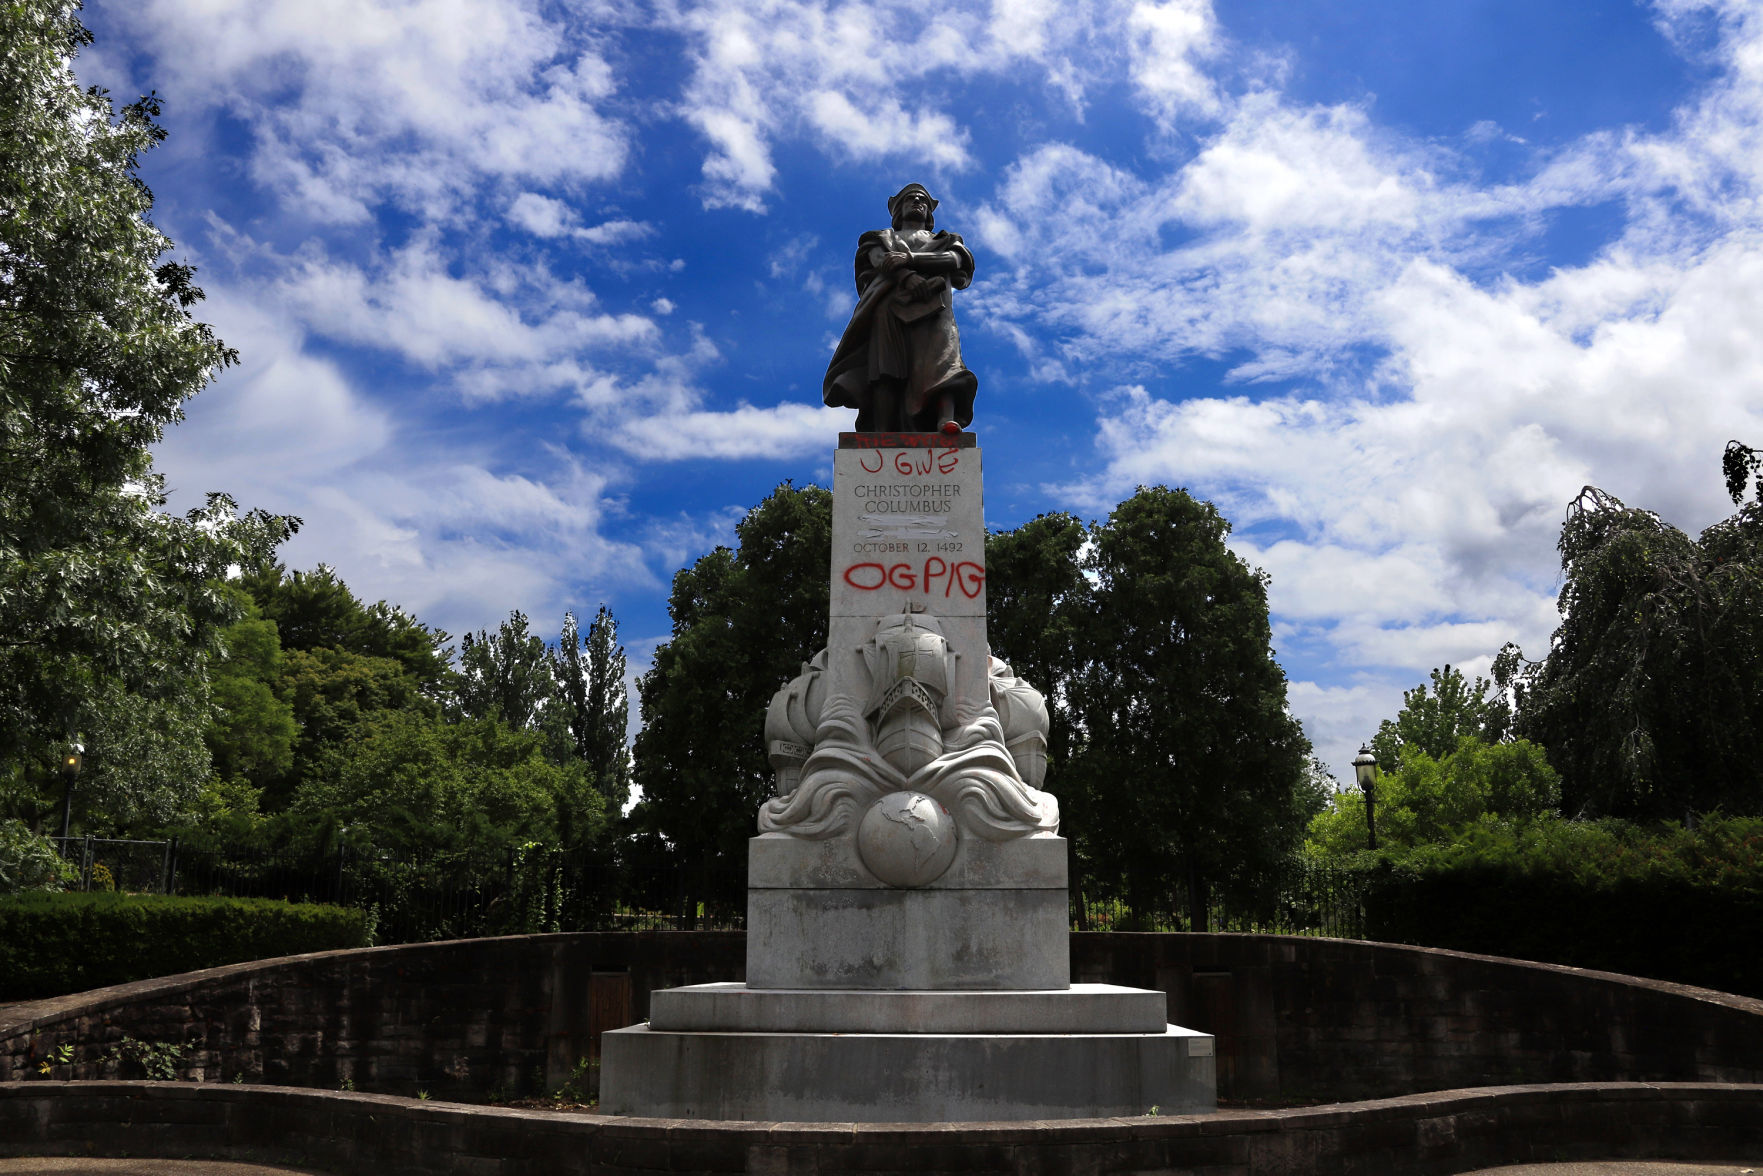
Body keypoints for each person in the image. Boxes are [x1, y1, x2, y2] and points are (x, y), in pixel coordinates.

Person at [823, 183, 977, 433]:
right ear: (898, 209)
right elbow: (880, 260)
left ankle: (945, 420)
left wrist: (910, 259)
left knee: (943, 361)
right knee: (886, 368)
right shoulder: (880, 239)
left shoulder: (945, 240)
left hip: (935, 310)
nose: (917, 202)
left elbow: (954, 260)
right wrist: (908, 278)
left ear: (929, 211)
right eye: (910, 199)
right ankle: (882, 430)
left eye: (922, 200)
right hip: (888, 308)